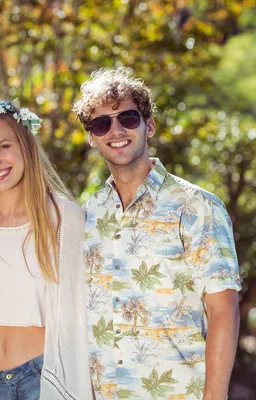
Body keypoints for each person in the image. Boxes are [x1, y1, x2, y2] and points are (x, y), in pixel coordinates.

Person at [72, 67, 241, 399]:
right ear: (92, 137)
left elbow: (224, 309)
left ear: (149, 125)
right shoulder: (88, 213)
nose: (116, 130)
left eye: (128, 118)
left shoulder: (196, 206)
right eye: (102, 123)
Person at [0, 95, 93, 399]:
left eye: (3, 147)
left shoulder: (64, 220)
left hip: (40, 380)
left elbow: (80, 317)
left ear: (25, 145)